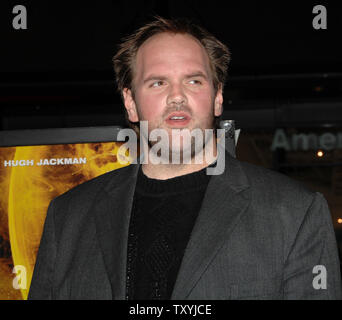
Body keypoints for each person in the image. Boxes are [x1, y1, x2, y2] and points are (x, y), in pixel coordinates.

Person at [28, 16, 342, 300]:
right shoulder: (67, 217)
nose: (177, 96)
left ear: (217, 97)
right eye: (158, 82)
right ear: (130, 102)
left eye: (194, 81)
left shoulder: (295, 213)